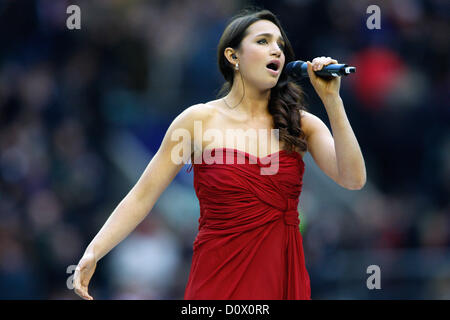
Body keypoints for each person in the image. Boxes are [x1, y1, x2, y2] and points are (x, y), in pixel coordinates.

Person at [73, 8, 366, 300]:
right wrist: (94, 251)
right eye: (263, 41)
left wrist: (332, 101)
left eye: (279, 44)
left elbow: (353, 179)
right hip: (217, 280)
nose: (276, 50)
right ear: (232, 56)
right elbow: (142, 196)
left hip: (282, 278)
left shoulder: (301, 124)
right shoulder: (197, 120)